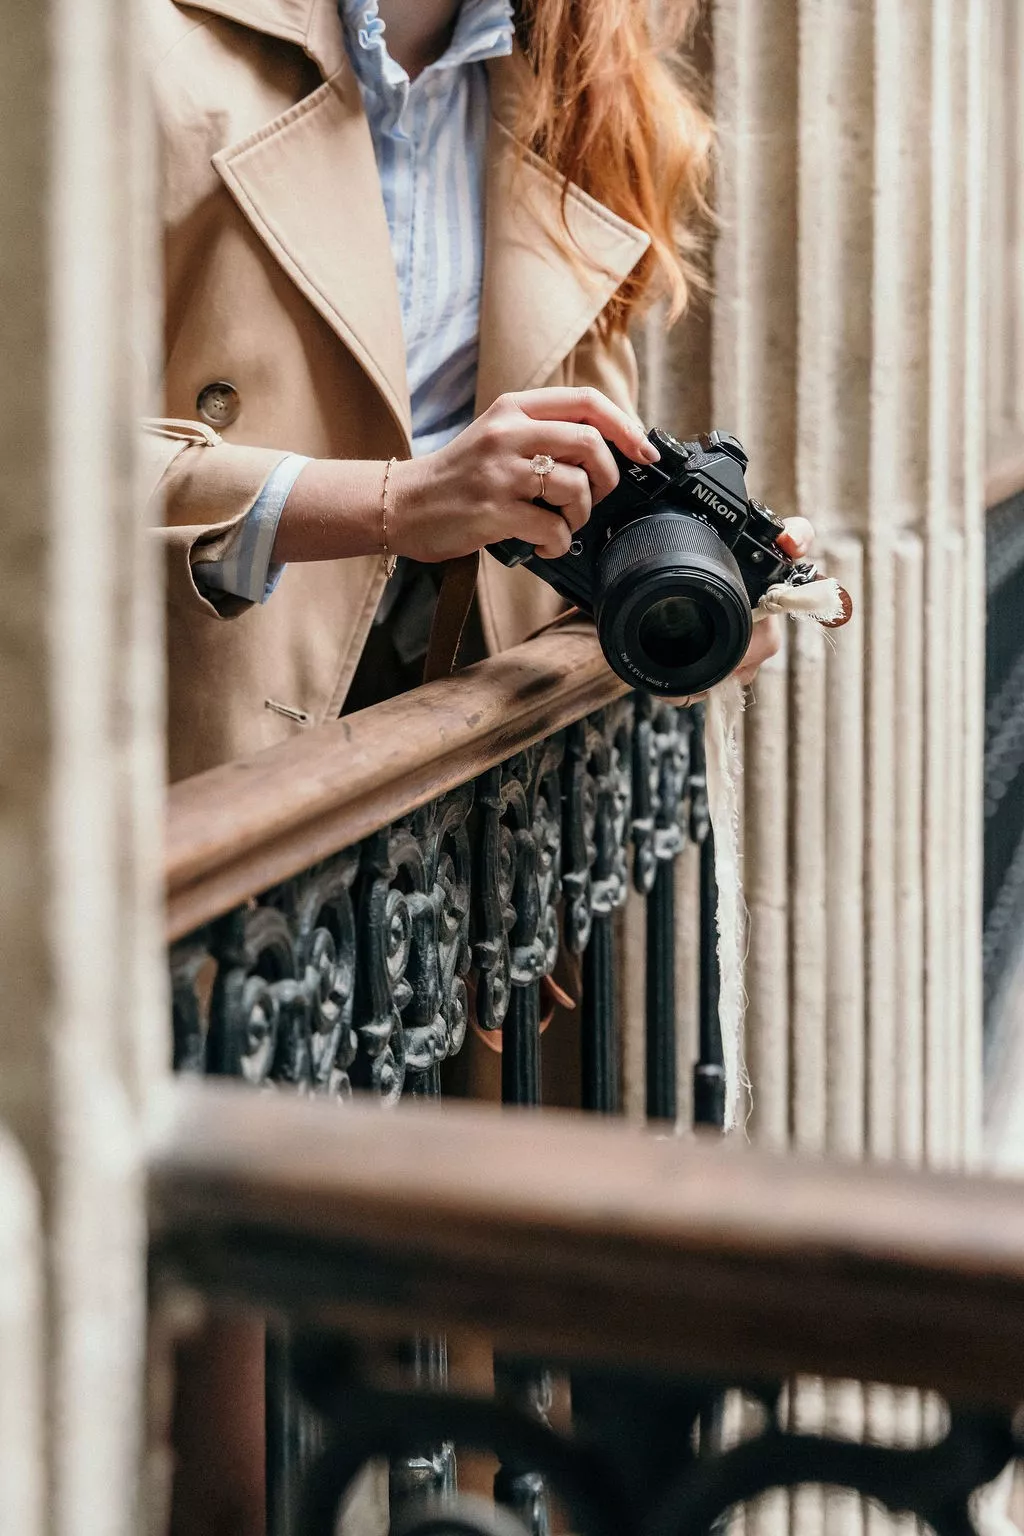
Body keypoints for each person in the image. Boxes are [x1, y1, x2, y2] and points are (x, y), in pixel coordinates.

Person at [150, 0, 813, 1528]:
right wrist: (385, 499)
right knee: (231, 1423)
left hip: (458, 852)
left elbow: (545, 454)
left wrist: (688, 566)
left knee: (433, 1409)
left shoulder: (570, 71)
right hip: (209, 813)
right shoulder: (136, 44)